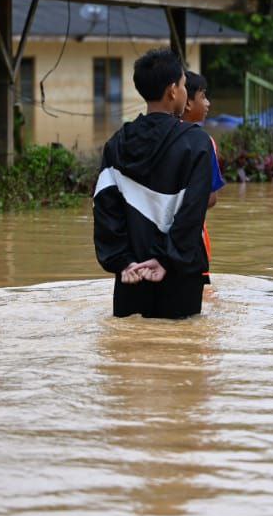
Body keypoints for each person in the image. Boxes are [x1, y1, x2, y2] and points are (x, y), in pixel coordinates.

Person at [93, 48, 214, 319]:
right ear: (173, 91)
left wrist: (122, 261)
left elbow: (104, 209)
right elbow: (193, 213)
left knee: (127, 354)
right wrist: (165, 258)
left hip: (130, 276)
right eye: (184, 85)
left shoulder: (116, 144)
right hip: (179, 274)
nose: (184, 91)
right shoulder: (197, 144)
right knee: (181, 353)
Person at [183, 70, 225, 271]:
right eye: (203, 96)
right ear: (187, 102)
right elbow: (210, 199)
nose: (208, 103)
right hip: (191, 237)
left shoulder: (149, 138)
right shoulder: (205, 143)